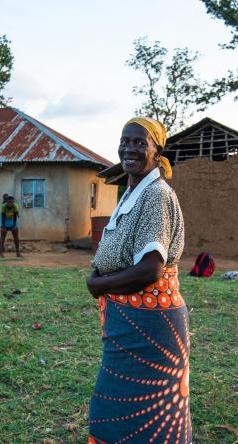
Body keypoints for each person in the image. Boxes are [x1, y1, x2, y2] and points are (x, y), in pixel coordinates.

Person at [86, 117, 191, 443]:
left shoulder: (156, 195)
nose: (128, 148)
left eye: (138, 142)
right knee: (121, 410)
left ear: (156, 150)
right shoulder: (134, 191)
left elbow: (150, 268)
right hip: (130, 321)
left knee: (133, 412)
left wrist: (98, 284)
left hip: (149, 325)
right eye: (125, 141)